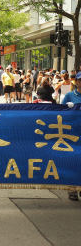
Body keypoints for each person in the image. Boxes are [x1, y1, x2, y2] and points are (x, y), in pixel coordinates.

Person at [62, 71, 81, 201]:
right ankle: (72, 189)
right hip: (73, 133)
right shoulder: (70, 95)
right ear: (76, 81)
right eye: (80, 80)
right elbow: (61, 112)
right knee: (73, 161)